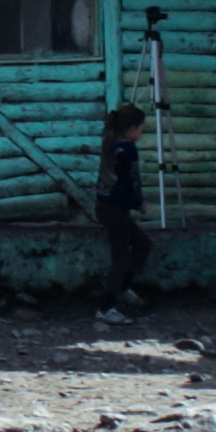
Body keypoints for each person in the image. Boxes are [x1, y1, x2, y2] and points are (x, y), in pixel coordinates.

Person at [93, 101, 151, 320]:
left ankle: (123, 289)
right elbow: (132, 181)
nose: (142, 131)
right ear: (132, 129)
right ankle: (105, 308)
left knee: (143, 244)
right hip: (115, 209)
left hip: (105, 206)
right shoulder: (128, 150)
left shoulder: (110, 144)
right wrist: (139, 203)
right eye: (142, 127)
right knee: (120, 258)